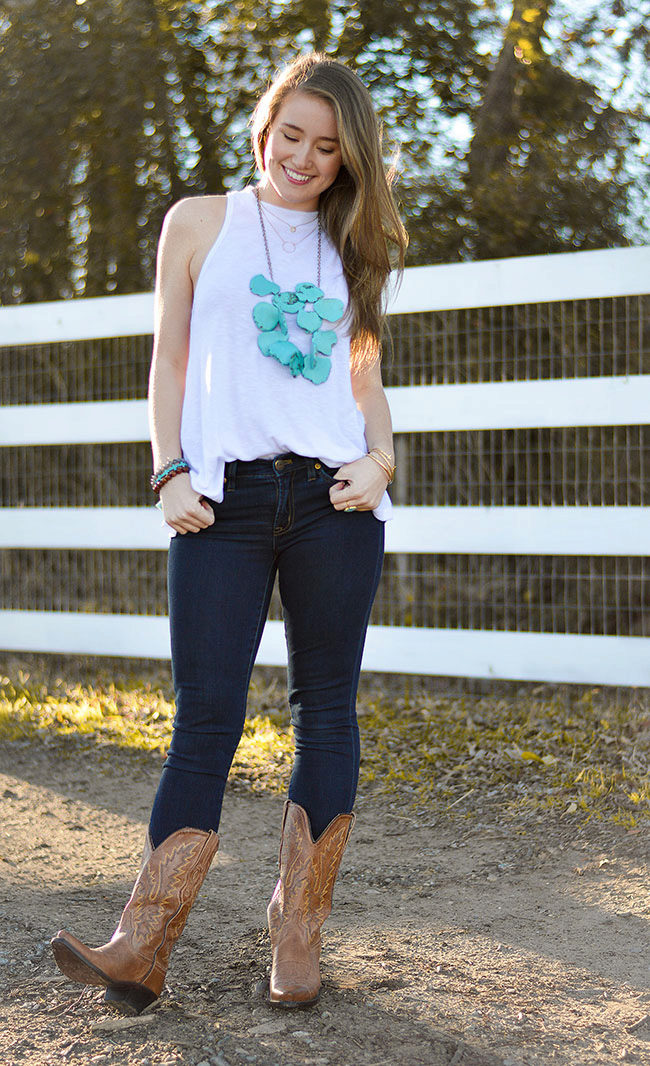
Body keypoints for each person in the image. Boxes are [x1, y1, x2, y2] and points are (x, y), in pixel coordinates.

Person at [51, 52, 407, 1015]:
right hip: (223, 502)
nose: (304, 158)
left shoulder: (354, 242)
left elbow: (365, 376)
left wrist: (381, 462)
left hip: (334, 501)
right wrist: (167, 468)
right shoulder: (199, 222)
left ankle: (297, 934)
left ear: (348, 158)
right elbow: (168, 357)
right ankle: (142, 945)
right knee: (204, 717)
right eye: (292, 134)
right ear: (265, 126)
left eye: (327, 147)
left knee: (326, 712)